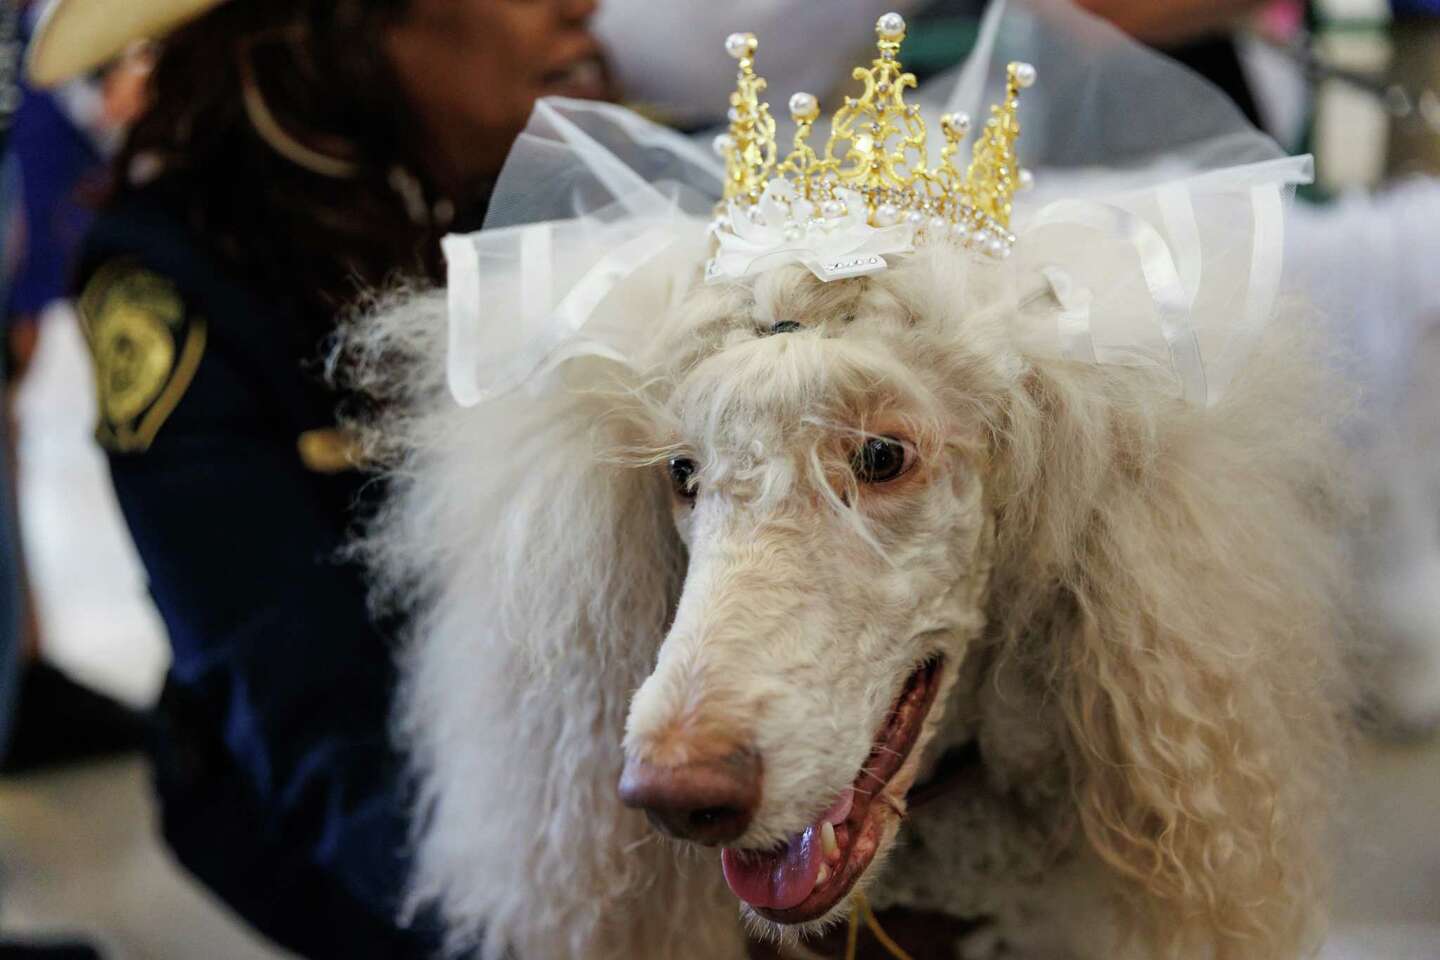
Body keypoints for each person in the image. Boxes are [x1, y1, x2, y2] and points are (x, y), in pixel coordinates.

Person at [24, 0, 611, 957]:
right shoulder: (180, 264)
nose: (582, 5)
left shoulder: (580, 175)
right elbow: (297, 697)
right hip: (368, 800)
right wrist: (510, 921)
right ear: (348, 21)